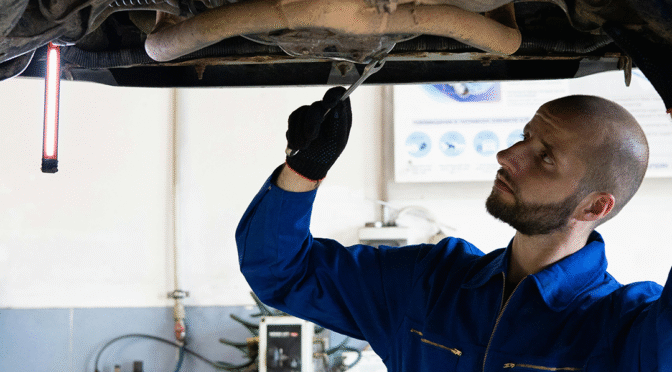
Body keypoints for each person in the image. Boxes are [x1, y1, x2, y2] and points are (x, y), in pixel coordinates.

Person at [236, 87, 671, 371]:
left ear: (596, 206)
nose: (507, 154)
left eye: (545, 157)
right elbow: (282, 274)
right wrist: (303, 169)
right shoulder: (428, 283)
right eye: (525, 136)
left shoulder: (624, 327)